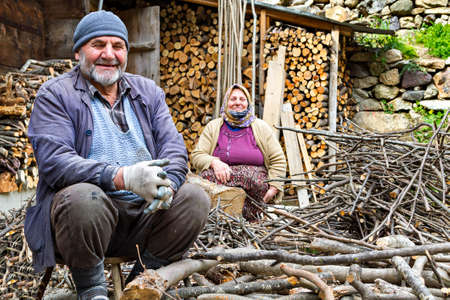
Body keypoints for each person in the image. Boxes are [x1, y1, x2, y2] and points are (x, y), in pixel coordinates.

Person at [25, 10, 210, 300]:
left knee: (195, 199)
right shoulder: (55, 94)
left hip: (143, 218)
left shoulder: (148, 92)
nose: (109, 54)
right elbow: (54, 161)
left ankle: (142, 282)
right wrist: (122, 176)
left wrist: (168, 183)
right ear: (78, 52)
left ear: (126, 52)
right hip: (82, 224)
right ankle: (92, 290)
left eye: (118, 46)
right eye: (98, 45)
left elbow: (174, 148)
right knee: (85, 198)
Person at [191, 84, 286, 220]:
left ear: (248, 103)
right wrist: (214, 162)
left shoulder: (260, 127)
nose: (237, 102)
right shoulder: (214, 127)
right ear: (226, 102)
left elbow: (278, 159)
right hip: (221, 182)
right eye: (233, 99)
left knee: (254, 179)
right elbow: (197, 155)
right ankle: (218, 219)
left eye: (242, 99)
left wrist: (274, 188)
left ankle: (252, 220)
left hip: (254, 189)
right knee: (205, 178)